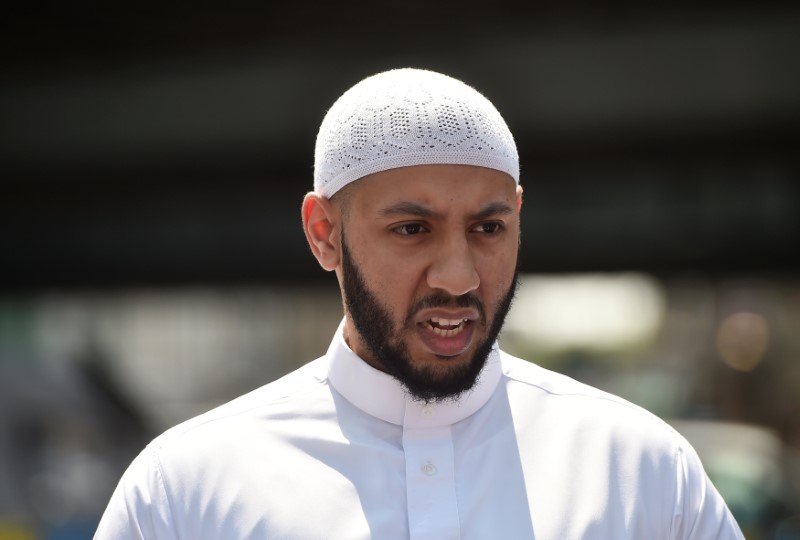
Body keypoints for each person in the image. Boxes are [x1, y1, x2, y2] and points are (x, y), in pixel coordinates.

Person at [95, 68, 744, 539]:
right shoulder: (184, 490)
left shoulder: (642, 472)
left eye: (488, 229)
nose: (458, 277)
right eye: (412, 230)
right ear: (325, 234)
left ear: (519, 218)